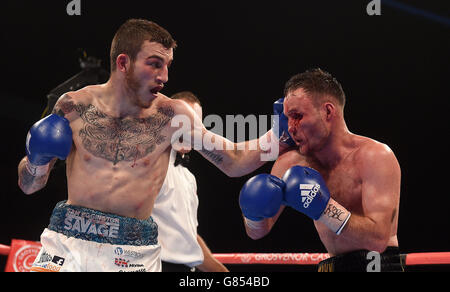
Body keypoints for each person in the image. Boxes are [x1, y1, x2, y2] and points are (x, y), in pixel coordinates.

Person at [17, 19, 283, 272]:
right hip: (64, 242)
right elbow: (29, 186)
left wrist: (280, 134)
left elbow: (234, 160)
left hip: (130, 255)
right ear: (123, 62)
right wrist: (35, 163)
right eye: (155, 64)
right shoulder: (72, 106)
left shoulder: (172, 116)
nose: (165, 76)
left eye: (167, 65)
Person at [239, 68, 403, 272]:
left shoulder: (374, 156)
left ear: (328, 111)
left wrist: (324, 209)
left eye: (297, 116)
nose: (290, 127)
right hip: (331, 266)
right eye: (287, 118)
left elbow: (377, 240)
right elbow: (257, 233)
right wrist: (253, 214)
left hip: (379, 265)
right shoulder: (291, 163)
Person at [152, 91, 228, 272]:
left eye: (196, 124)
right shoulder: (149, 167)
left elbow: (188, 237)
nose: (188, 131)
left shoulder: (188, 177)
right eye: (183, 123)